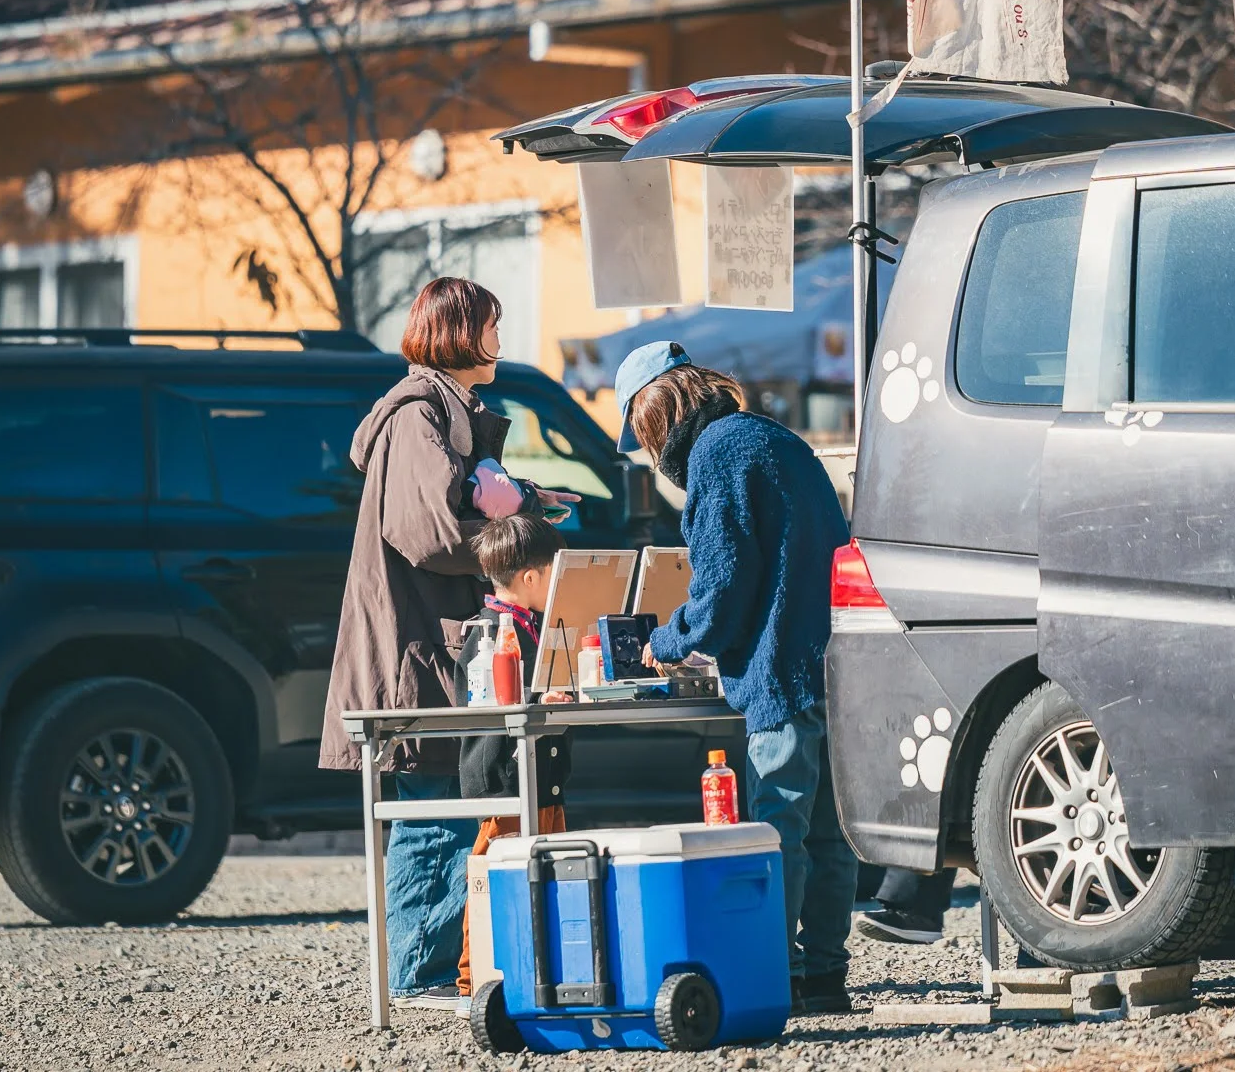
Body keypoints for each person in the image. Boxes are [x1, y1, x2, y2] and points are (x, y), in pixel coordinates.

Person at [318, 276, 571, 1008]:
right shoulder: (418, 413)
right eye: (491, 324)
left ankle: (424, 973)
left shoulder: (441, 411)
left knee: (441, 805)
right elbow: (428, 529)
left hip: (430, 643)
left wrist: (519, 493)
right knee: (432, 812)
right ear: (461, 331)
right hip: (413, 651)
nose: (499, 337)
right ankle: (416, 977)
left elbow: (448, 502)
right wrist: (516, 528)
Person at [615, 340, 858, 1015]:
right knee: (831, 832)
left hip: (780, 670)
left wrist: (666, 640)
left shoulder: (716, 455)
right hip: (837, 663)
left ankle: (770, 972)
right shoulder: (773, 438)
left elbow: (721, 591)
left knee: (776, 828)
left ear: (653, 417)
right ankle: (824, 975)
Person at [454, 512, 572, 997]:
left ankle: (538, 969)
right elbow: (493, 706)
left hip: (540, 776)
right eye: (554, 574)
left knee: (552, 870)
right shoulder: (490, 631)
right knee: (493, 875)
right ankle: (473, 976)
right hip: (506, 778)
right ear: (529, 577)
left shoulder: (524, 625)